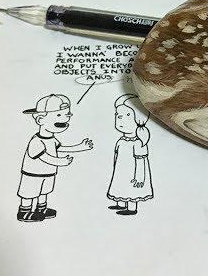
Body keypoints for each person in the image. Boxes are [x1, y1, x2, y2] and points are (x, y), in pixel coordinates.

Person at [17, 94, 93, 222]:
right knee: (30, 193)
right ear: (40, 120)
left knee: (44, 192)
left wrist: (80, 147)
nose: (65, 119)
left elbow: (60, 148)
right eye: (59, 115)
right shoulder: (36, 141)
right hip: (33, 174)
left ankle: (41, 209)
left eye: (66, 115)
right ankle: (24, 211)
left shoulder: (51, 139)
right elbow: (44, 157)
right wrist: (60, 162)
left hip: (48, 173)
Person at [107, 94, 153, 215]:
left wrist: (140, 177)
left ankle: (131, 208)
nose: (120, 119)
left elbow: (141, 161)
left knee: (132, 189)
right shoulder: (121, 140)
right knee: (121, 184)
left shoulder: (139, 142)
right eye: (118, 115)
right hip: (121, 170)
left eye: (127, 115)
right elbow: (116, 156)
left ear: (138, 119)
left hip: (134, 173)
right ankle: (120, 203)